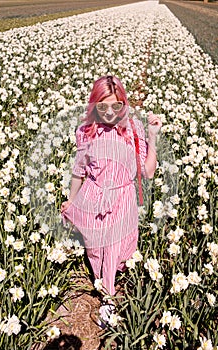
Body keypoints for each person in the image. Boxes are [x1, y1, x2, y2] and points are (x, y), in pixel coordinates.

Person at [61, 75, 162, 316]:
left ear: (123, 104)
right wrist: (72, 200)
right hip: (94, 197)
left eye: (115, 105)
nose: (108, 112)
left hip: (122, 199)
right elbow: (79, 170)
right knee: (97, 250)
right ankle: (106, 290)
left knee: (116, 250)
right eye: (102, 106)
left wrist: (153, 137)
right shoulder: (86, 132)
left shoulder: (133, 130)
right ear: (93, 105)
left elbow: (147, 172)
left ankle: (108, 296)